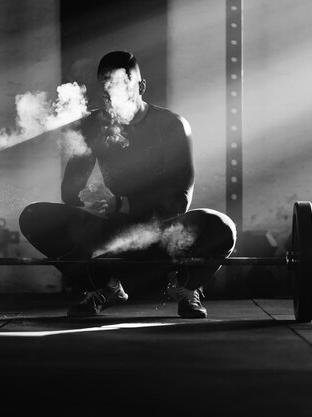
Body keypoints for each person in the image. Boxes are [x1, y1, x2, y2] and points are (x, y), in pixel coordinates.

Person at [19, 50, 236, 318]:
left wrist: (121, 203)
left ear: (141, 86)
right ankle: (103, 287)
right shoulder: (93, 126)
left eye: (124, 87)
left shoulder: (172, 125)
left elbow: (179, 200)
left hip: (162, 234)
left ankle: (186, 288)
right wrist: (86, 197)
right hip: (111, 233)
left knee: (222, 227)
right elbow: (69, 192)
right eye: (108, 89)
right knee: (34, 216)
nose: (115, 97)